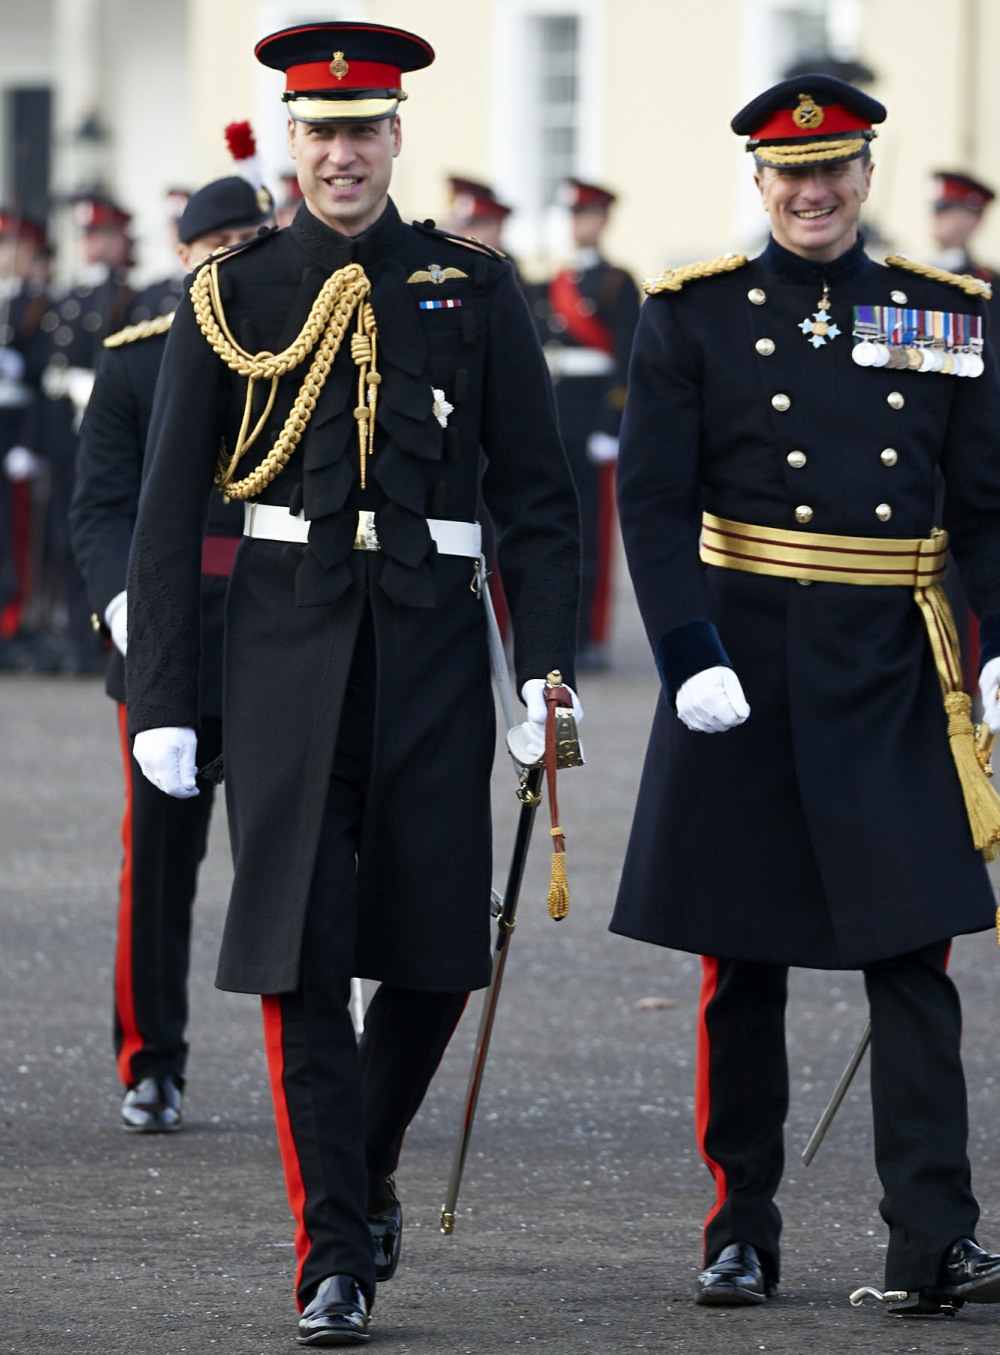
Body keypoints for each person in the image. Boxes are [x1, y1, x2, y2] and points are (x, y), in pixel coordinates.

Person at [124, 20, 580, 1345]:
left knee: (440, 948)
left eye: (362, 130)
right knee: (303, 949)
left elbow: (540, 502)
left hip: (434, 643)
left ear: (396, 138)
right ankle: (333, 1247)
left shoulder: (473, 284)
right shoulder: (234, 292)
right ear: (289, 139)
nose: (340, 153)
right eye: (317, 132)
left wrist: (543, 670)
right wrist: (163, 695)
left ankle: (365, 1166)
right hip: (283, 646)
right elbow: (166, 516)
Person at [611, 73, 1000, 1317]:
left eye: (834, 168)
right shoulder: (694, 317)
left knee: (914, 957)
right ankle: (738, 1224)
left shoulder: (944, 314)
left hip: (892, 656)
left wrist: (997, 649)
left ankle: (934, 1235)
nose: (813, 190)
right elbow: (655, 503)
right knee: (744, 959)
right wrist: (687, 650)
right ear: (761, 183)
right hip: (747, 656)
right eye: (790, 173)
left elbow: (985, 505)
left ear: (865, 174)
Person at [69, 176, 275, 1133]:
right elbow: (101, 506)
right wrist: (125, 607)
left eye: (249, 236)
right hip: (169, 637)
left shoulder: (301, 352)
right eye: (214, 240)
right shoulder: (135, 362)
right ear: (184, 253)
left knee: (306, 856)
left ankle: (317, 1059)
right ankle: (151, 1059)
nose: (231, 255)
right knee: (155, 863)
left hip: (284, 631)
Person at [526, 179, 639, 670]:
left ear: (603, 220)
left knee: (592, 533)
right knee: (548, 528)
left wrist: (611, 425)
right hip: (555, 419)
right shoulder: (550, 283)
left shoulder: (616, 283)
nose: (579, 225)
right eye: (572, 217)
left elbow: (628, 360)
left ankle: (588, 637)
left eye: (587, 216)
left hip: (592, 420)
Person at [35, 193, 138, 673]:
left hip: (105, 428)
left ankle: (98, 636)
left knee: (102, 531)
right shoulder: (71, 299)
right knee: (63, 535)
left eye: (100, 235)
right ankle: (75, 635)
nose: (92, 245)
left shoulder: (127, 298)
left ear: (121, 239)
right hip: (65, 435)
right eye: (87, 236)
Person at [930, 170, 999, 293]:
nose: (936, 215)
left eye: (945, 207)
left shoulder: (985, 283)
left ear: (971, 220)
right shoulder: (917, 272)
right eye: (935, 207)